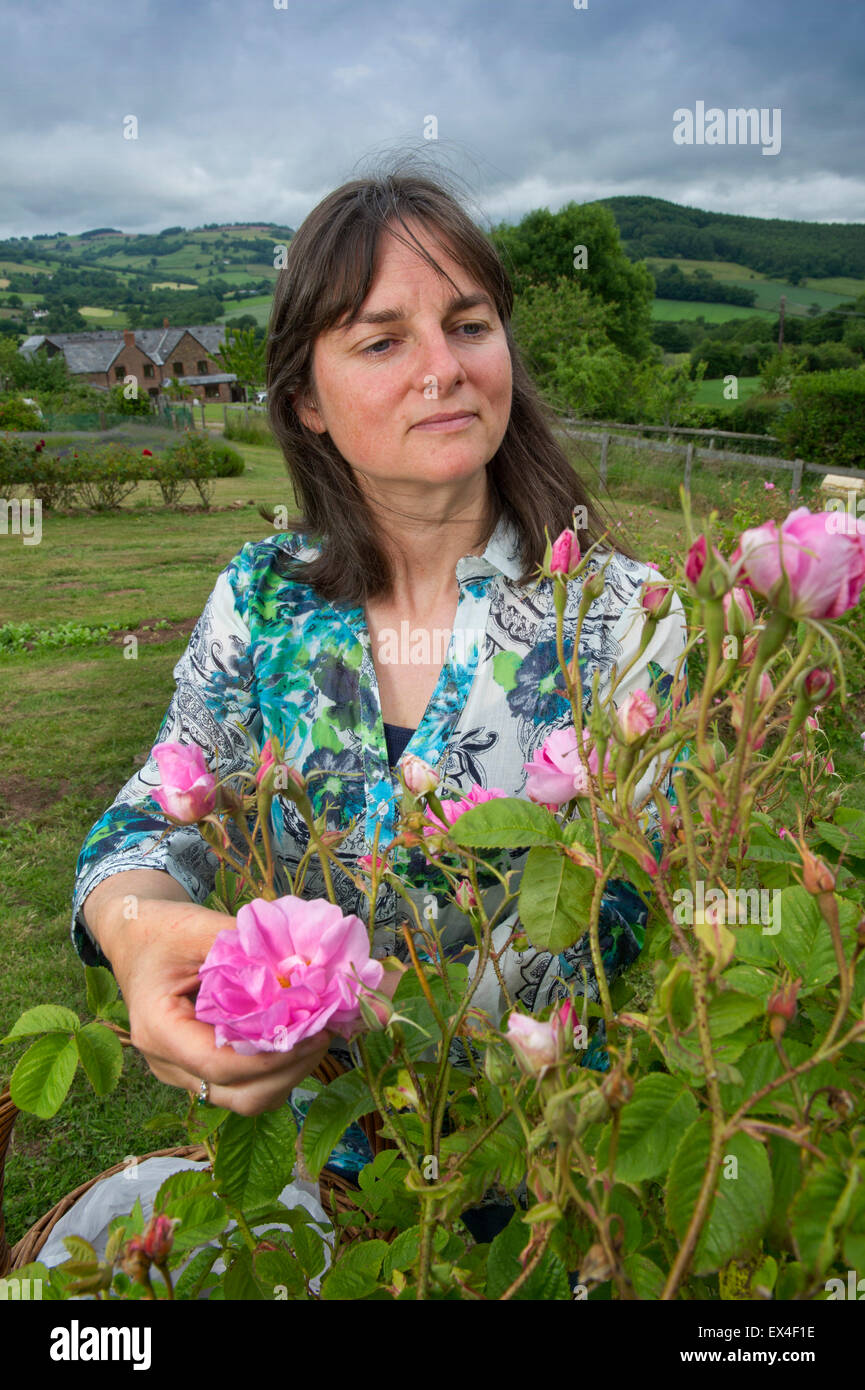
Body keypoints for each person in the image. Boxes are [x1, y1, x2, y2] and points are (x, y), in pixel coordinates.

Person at [72, 169, 687, 1231]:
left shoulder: (621, 616)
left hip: (542, 1171)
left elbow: (632, 911)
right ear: (305, 401)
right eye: (381, 340)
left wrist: (380, 997)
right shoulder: (262, 598)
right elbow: (145, 817)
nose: (443, 370)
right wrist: (135, 932)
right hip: (316, 1163)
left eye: (468, 323)